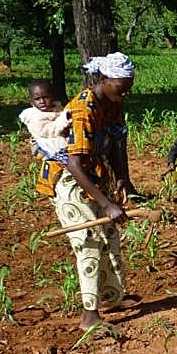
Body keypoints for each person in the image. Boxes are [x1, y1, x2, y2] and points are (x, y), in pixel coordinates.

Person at [33, 52, 140, 335]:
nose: (126, 90)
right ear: (105, 79)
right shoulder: (83, 109)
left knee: (111, 236)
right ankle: (89, 316)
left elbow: (117, 142)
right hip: (69, 179)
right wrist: (106, 204)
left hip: (93, 174)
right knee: (89, 241)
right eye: (122, 84)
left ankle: (112, 298)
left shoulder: (113, 102)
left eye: (130, 84)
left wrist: (122, 180)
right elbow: (73, 163)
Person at [19, 79, 70, 162]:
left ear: (52, 96)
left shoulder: (57, 109)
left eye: (46, 97)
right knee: (67, 160)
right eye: (37, 99)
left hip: (59, 141)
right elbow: (49, 131)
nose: (42, 101)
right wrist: (64, 119)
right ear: (31, 100)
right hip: (45, 144)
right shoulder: (34, 116)